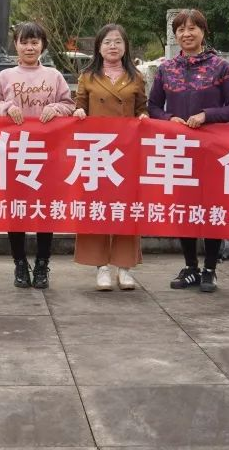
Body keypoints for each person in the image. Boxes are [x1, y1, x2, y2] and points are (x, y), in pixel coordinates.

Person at [147, 10, 229, 292]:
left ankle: (210, 269)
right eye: (181, 29)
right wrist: (169, 119)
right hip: (180, 150)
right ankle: (190, 266)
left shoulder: (220, 67)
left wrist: (206, 115)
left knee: (213, 208)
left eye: (192, 28)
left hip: (214, 150)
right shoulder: (166, 69)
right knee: (184, 208)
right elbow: (153, 106)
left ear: (203, 31)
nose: (186, 34)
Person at [0, 21, 74, 289]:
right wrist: (6, 107)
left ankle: (43, 263)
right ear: (16, 45)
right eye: (24, 42)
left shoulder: (54, 76)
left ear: (42, 45)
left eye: (35, 42)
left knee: (45, 209)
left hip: (48, 153)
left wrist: (56, 108)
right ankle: (20, 263)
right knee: (16, 209)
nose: (29, 47)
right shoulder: (5, 76)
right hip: (15, 153)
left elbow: (69, 104)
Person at [72, 23, 148, 291]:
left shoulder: (136, 76)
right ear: (99, 47)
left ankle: (124, 267)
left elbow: (142, 107)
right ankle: (101, 266)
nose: (112, 46)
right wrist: (79, 112)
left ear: (125, 46)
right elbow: (79, 105)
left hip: (127, 151)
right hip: (98, 152)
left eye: (117, 41)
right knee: (97, 207)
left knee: (126, 207)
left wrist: (144, 117)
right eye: (107, 42)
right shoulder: (87, 76)